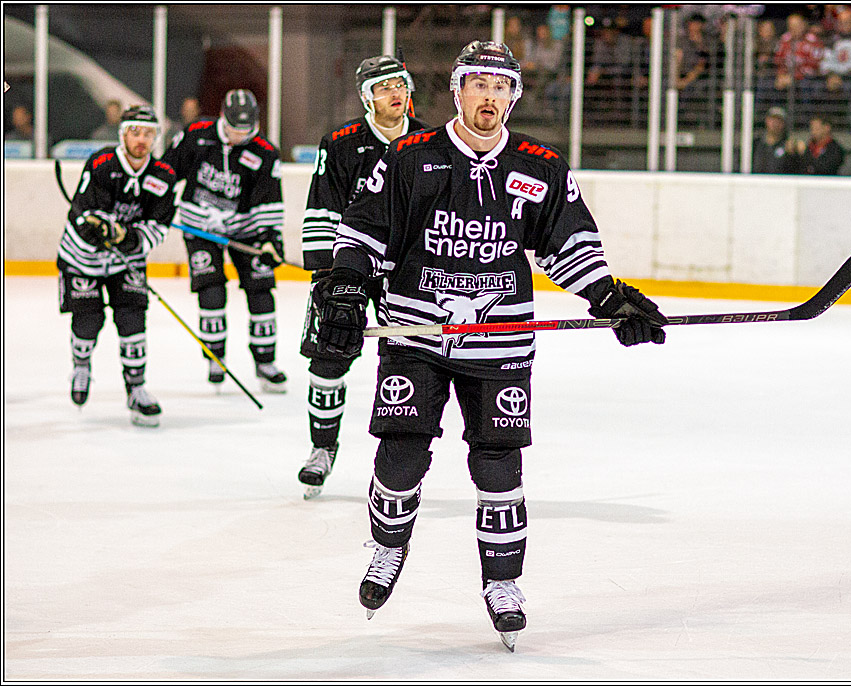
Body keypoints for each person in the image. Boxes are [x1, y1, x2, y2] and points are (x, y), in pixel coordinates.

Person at [312, 40, 667, 651]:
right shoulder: (407, 157)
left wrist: (610, 299)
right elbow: (366, 232)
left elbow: (570, 247)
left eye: (503, 87)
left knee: (498, 464)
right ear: (456, 91)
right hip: (415, 332)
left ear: (514, 96)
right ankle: (388, 546)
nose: (491, 97)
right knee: (401, 454)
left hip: (499, 336)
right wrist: (345, 289)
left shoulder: (540, 167)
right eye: (480, 84)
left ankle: (504, 583)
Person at [297, 55, 427, 500]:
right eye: (384, 86)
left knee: (408, 362)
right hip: (349, 264)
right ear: (367, 97)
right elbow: (321, 209)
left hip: (407, 270)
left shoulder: (430, 142)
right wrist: (329, 279)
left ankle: (398, 465)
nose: (396, 93)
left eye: (400, 84)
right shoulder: (339, 143)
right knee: (329, 355)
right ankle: (321, 448)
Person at [160, 89, 288, 393]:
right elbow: (166, 173)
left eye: (246, 130)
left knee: (261, 290)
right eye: (233, 128)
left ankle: (265, 362)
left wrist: (272, 242)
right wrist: (154, 208)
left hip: (246, 231)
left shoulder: (265, 152)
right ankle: (215, 359)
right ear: (222, 117)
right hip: (200, 227)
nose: (239, 136)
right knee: (211, 289)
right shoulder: (195, 134)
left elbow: (270, 202)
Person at [56, 105, 175, 426]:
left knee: (132, 320)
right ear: (123, 134)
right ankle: (81, 367)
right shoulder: (101, 163)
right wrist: (98, 227)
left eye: (148, 133)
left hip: (127, 261)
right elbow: (80, 212)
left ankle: (136, 388)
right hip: (83, 258)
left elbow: (159, 226)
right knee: (88, 321)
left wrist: (128, 237)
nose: (142, 139)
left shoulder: (163, 176)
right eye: (135, 131)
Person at [751, 106, 800, 174]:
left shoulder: (788, 146)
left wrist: (793, 154)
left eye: (779, 120)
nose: (776, 124)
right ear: (767, 120)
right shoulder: (756, 144)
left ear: (784, 124)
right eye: (773, 119)